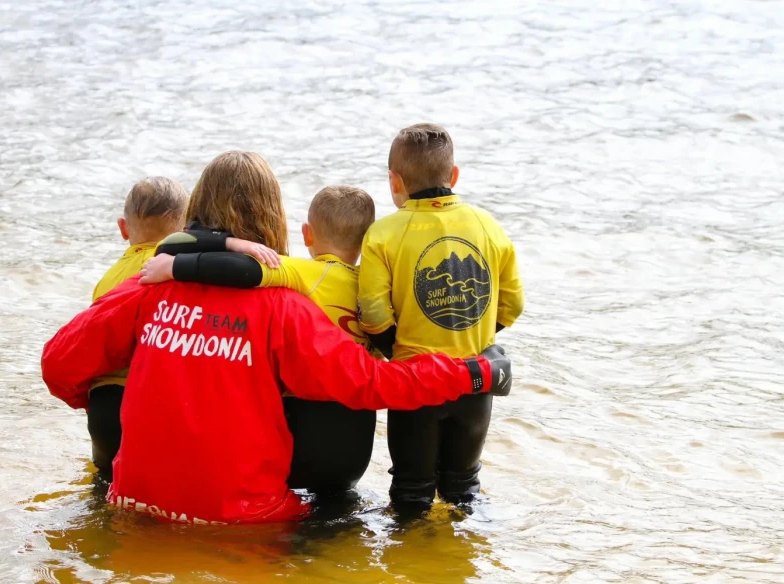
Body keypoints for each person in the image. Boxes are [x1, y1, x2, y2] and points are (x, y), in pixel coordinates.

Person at [41, 150, 513, 525]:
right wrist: (474, 373)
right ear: (274, 217)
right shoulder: (283, 307)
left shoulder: (146, 288)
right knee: (351, 521)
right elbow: (374, 384)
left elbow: (58, 365)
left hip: (136, 503)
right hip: (247, 521)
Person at [140, 185, 379, 494]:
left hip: (306, 426)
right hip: (358, 437)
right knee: (337, 505)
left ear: (307, 234)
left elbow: (242, 269)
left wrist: (175, 267)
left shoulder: (306, 273)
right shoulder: (374, 286)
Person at [357, 124, 525, 511]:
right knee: (464, 489)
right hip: (476, 379)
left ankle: (410, 549)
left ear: (395, 181)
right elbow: (513, 303)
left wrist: (398, 350)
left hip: (414, 384)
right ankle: (472, 547)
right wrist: (473, 334)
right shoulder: (488, 225)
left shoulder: (383, 234)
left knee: (411, 492)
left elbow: (374, 313)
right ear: (454, 175)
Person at [86, 177, 188, 477]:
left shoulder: (108, 279)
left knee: (105, 483)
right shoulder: (179, 269)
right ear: (186, 229)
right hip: (152, 402)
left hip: (105, 406)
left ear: (123, 227)